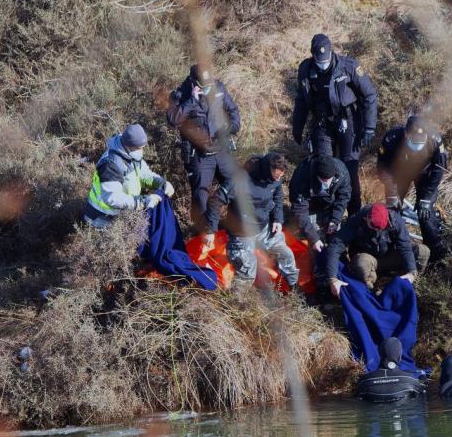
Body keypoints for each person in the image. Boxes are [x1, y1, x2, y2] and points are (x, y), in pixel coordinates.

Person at [291, 33, 377, 216]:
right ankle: (326, 216)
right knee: (322, 167)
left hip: (348, 121)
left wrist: (369, 127)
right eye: (319, 60)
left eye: (326, 59)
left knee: (349, 169)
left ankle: (354, 215)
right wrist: (297, 127)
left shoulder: (349, 66)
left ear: (331, 52)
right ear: (313, 55)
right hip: (322, 123)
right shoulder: (305, 69)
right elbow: (301, 101)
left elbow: (369, 95)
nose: (323, 63)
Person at [203, 152, 299, 289]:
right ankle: (238, 299)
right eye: (275, 177)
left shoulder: (275, 180)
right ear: (267, 170)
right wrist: (210, 230)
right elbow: (216, 201)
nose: (278, 180)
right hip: (241, 234)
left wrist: (278, 219)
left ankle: (293, 287)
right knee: (248, 271)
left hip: (264, 228)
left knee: (286, 255)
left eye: (280, 177)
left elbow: (278, 195)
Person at [167, 64, 241, 225]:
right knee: (201, 198)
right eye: (203, 86)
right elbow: (173, 119)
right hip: (199, 155)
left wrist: (231, 128)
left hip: (221, 150)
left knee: (238, 186)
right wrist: (191, 100)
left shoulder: (218, 87)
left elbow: (233, 111)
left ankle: (234, 227)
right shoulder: (180, 94)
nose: (207, 88)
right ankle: (204, 232)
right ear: (193, 82)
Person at [378, 113, 448, 262]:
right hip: (399, 174)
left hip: (425, 175)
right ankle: (392, 247)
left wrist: (427, 197)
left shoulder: (435, 140)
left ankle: (436, 256)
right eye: (414, 140)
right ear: (406, 134)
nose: (417, 144)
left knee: (425, 214)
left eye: (421, 140)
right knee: (392, 211)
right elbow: (383, 168)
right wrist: (392, 192)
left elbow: (439, 169)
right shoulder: (392, 139)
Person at [84, 124, 174, 228]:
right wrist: (142, 201)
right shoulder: (110, 164)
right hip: (100, 219)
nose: (141, 151)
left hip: (120, 215)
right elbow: (113, 198)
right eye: (139, 148)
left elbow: (144, 174)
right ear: (128, 146)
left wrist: (161, 183)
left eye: (142, 148)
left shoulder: (131, 154)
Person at [325, 202, 418, 295]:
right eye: (373, 226)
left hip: (389, 256)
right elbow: (335, 246)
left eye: (381, 228)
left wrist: (411, 272)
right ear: (366, 218)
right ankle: (372, 290)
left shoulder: (396, 221)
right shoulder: (356, 221)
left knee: (421, 252)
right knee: (362, 262)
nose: (377, 230)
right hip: (369, 260)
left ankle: (397, 279)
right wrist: (333, 279)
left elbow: (405, 247)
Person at [288, 154, 351, 253]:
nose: (327, 183)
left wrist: (335, 220)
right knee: (311, 238)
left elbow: (343, 197)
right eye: (324, 180)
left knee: (335, 235)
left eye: (330, 179)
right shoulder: (302, 175)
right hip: (309, 209)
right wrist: (314, 238)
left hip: (330, 207)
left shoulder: (341, 171)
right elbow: (300, 209)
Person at [356, 337, 427, 402]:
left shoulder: (364, 381)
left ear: (380, 354)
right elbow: (421, 395)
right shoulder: (410, 380)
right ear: (399, 356)